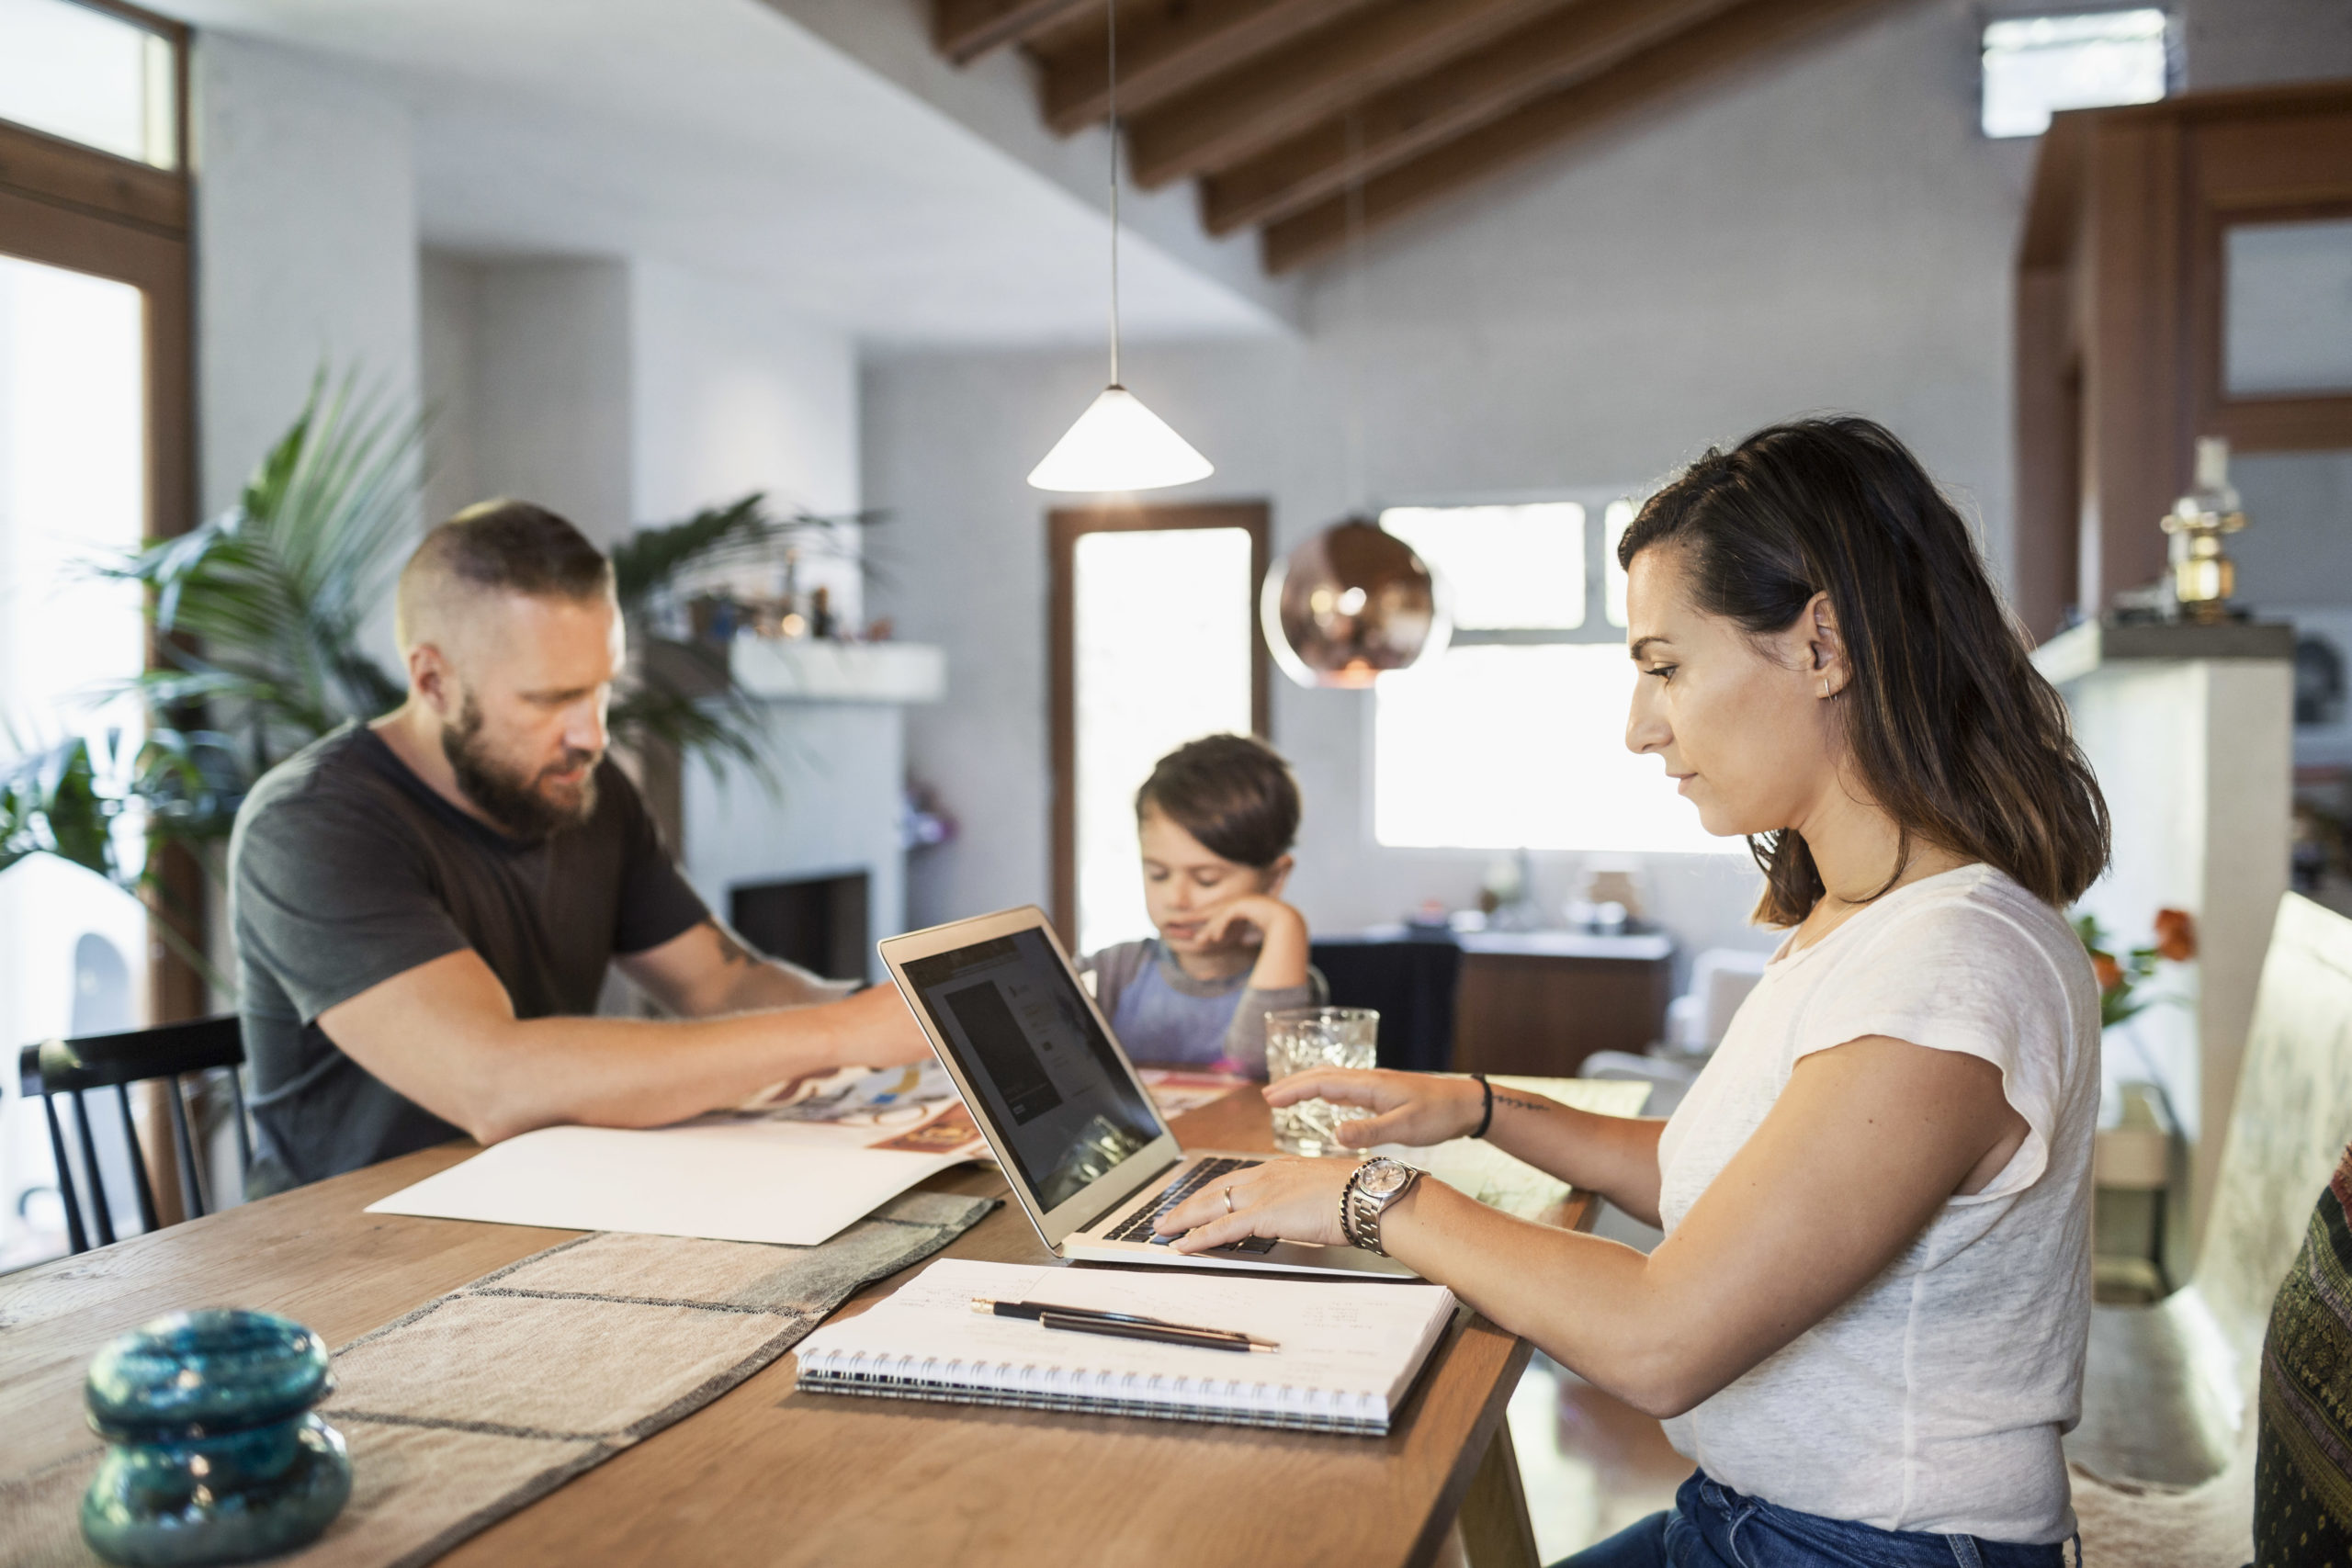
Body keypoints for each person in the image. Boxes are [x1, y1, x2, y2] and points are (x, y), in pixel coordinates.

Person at [1158, 418, 2109, 1567]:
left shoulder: (1950, 965)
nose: (1638, 727)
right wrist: (1480, 1105)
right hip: (1755, 1521)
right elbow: (1723, 1184)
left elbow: (1663, 1338)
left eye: (1663, 667)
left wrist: (1372, 1196)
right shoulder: (1862, 920)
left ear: (1822, 646)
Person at [228, 500, 930, 1192]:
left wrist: (906, 1025)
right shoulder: (311, 825)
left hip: (552, 1197)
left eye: (599, 691)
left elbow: (724, 983)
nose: (591, 735)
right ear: (433, 680)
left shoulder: (581, 792)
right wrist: (841, 1033)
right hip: (355, 1252)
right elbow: (493, 1079)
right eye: (549, 698)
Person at [1078, 734, 1325, 1076]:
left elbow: (1254, 1065)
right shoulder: (1115, 971)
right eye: (1158, 874)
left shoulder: (1290, 985)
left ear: (1274, 878)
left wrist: (1286, 924)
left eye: (1206, 879)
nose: (1176, 899)